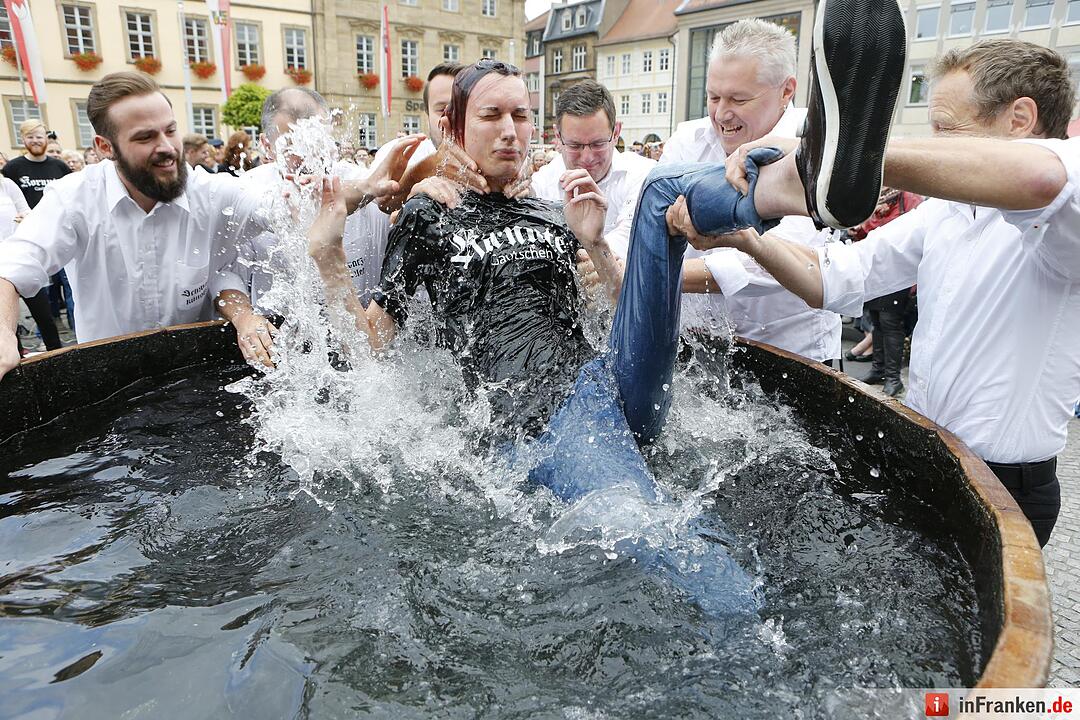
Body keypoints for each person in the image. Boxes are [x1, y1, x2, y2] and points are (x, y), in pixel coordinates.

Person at [306, 58, 762, 615]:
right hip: (541, 414)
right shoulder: (430, 217)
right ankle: (759, 635)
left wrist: (593, 245)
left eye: (520, 115)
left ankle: (776, 186)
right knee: (652, 528)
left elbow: (620, 310)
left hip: (612, 385)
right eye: (491, 115)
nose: (508, 130)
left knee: (660, 190)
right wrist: (326, 255)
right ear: (455, 127)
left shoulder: (553, 212)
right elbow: (371, 345)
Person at [667, 39, 1077, 548]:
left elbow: (1040, 177)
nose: (936, 147)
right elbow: (831, 278)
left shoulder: (1067, 208)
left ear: (1019, 119)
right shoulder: (944, 212)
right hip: (935, 458)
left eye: (947, 131)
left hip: (1009, 484)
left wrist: (835, 157)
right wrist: (744, 237)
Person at [0, 72, 414, 379]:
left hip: (194, 375)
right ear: (105, 147)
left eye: (171, 131)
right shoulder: (75, 197)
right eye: (146, 138)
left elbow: (293, 210)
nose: (166, 148)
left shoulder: (211, 192)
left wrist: (370, 186)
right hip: (111, 378)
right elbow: (13, 265)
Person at [645, 19, 843, 363]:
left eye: (738, 98)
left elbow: (768, 265)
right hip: (700, 350)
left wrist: (651, 274)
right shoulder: (688, 141)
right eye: (713, 96)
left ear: (786, 90)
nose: (721, 114)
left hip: (791, 358)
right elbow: (643, 211)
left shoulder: (817, 150)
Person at [212, 87, 397, 364]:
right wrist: (245, 317)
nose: (310, 157)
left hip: (357, 339)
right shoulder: (247, 192)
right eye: (293, 147)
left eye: (317, 142)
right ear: (267, 146)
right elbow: (225, 272)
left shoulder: (366, 183)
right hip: (281, 346)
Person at [530, 80, 655, 292]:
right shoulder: (541, 184)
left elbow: (631, 244)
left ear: (616, 132)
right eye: (575, 145)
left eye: (598, 144)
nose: (587, 157)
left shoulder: (643, 176)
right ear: (558, 137)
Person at [2, 120, 71, 353]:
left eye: (39, 136)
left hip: (57, 240)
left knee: (47, 311)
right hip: (22, 248)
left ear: (46, 138)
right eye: (30, 136)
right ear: (23, 140)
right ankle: (17, 356)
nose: (35, 141)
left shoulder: (60, 168)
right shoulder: (13, 169)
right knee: (7, 319)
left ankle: (57, 353)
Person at [848, 187, 923, 395]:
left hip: (898, 272)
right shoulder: (876, 196)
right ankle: (878, 369)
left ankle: (893, 378)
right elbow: (871, 234)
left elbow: (914, 235)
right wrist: (859, 229)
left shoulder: (909, 198)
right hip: (875, 269)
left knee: (890, 324)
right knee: (877, 322)